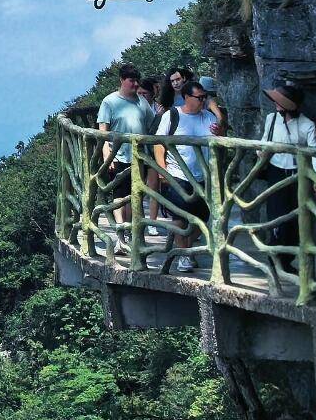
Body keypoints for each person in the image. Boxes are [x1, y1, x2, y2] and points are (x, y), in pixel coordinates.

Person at [156, 79, 221, 272]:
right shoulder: (172, 115)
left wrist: (216, 112)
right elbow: (158, 143)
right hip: (177, 173)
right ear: (186, 97)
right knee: (180, 215)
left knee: (202, 216)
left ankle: (186, 248)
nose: (203, 100)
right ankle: (184, 256)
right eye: (199, 97)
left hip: (201, 176)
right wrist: (162, 170)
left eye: (204, 97)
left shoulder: (208, 117)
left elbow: (220, 136)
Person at [92, 70, 158, 252]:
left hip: (139, 156)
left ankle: (131, 235)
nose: (135, 84)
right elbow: (102, 131)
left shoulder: (141, 101)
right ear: (122, 80)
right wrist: (107, 155)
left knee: (135, 196)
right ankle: (121, 236)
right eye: (132, 81)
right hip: (118, 156)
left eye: (137, 81)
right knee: (120, 196)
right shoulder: (109, 102)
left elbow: (152, 125)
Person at [254, 80, 316, 264]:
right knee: (276, 216)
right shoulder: (272, 119)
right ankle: (274, 257)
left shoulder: (307, 125)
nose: (275, 104)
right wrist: (261, 152)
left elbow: (315, 153)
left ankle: (287, 260)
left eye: (279, 101)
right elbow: (263, 142)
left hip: (297, 174)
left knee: (295, 217)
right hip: (275, 171)